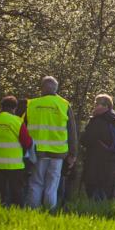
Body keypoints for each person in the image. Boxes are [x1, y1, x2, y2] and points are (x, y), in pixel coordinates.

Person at [24, 76, 76, 209]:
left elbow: (23, 127)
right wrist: (73, 153)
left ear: (42, 88)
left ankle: (33, 209)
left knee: (36, 182)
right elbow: (72, 130)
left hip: (38, 151)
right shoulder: (64, 104)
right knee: (52, 184)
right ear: (56, 89)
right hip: (58, 153)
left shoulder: (32, 104)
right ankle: (50, 210)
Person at [0, 96, 29, 206]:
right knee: (16, 192)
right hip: (14, 165)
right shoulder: (17, 121)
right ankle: (17, 213)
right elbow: (26, 142)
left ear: (1, 107)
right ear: (15, 108)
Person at [81, 94, 115, 201]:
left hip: (96, 165)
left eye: (97, 104)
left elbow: (85, 140)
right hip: (111, 166)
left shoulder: (98, 121)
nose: (95, 106)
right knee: (107, 197)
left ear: (105, 106)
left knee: (95, 198)